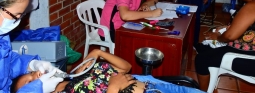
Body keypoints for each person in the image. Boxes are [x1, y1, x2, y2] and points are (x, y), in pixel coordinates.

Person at [12, 49, 206, 93]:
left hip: (153, 85)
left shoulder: (74, 74)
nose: (36, 75)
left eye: (31, 74)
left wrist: (97, 53)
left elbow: (126, 68)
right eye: (30, 82)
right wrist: (113, 88)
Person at [0, 0, 63, 93]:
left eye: (21, 15)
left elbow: (6, 62)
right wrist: (35, 89)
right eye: (15, 15)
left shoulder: (2, 35)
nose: (18, 21)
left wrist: (31, 64)